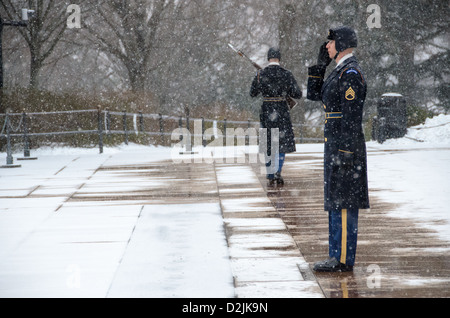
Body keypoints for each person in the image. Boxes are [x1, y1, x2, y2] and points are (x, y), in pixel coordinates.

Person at [306, 26, 370, 272]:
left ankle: (342, 259)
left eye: (330, 42)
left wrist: (346, 150)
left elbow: (351, 117)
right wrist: (319, 67)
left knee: (343, 202)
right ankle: (335, 255)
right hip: (335, 143)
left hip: (345, 144)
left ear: (340, 44)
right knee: (335, 200)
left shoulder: (350, 72)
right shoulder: (339, 70)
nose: (327, 46)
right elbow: (314, 96)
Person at [250, 47, 302, 186]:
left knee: (268, 142)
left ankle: (270, 172)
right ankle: (278, 170)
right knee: (281, 143)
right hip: (282, 111)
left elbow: (253, 93)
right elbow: (297, 94)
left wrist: (259, 79)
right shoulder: (287, 74)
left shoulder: (261, 74)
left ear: (268, 58)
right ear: (279, 58)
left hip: (267, 111)